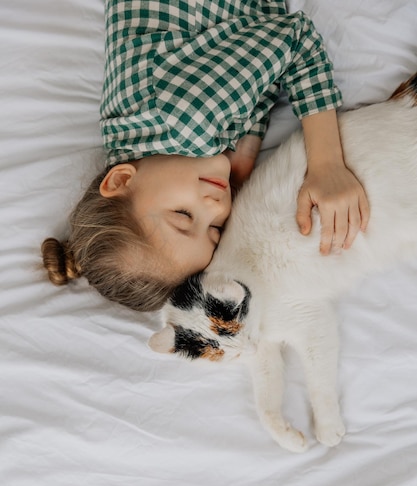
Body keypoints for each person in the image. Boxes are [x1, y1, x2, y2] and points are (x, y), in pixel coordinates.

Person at [42, 0, 369, 311]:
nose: (215, 207)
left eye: (184, 215)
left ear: (121, 180)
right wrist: (243, 149)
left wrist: (326, 163)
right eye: (214, 229)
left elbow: (296, 40)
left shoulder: (186, 121)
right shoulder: (130, 140)